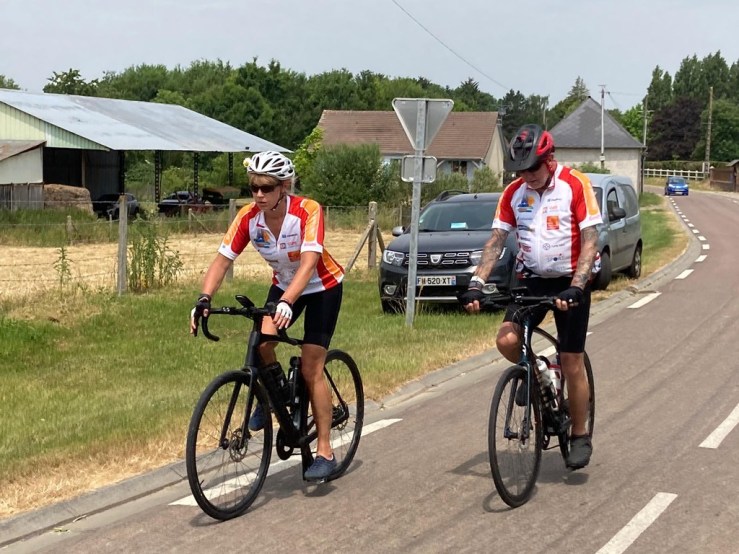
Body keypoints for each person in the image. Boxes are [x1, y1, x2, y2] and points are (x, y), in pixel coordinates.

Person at [189, 150, 345, 482]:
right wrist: (204, 298)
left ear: (284, 187)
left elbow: (309, 264)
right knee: (261, 343)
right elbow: (222, 261)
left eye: (267, 188)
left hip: (322, 287)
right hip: (284, 285)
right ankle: (275, 395)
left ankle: (325, 451)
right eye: (254, 188)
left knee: (311, 366)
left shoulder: (307, 211)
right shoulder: (249, 218)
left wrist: (288, 301)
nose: (259, 194)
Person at [459, 124, 602, 470]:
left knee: (571, 360)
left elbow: (591, 240)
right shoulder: (513, 193)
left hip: (570, 279)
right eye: (520, 170)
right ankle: (538, 370)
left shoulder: (575, 184)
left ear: (549, 159)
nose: (528, 175)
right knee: (507, 340)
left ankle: (579, 434)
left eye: (533, 167)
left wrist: (577, 286)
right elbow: (496, 241)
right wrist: (477, 282)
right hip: (532, 279)